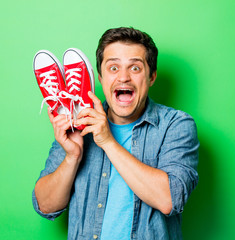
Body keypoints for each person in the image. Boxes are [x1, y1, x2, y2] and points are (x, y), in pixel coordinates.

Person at [32, 27, 199, 240]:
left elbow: (170, 199)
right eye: (113, 68)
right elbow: (45, 206)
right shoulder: (78, 123)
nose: (123, 77)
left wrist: (107, 141)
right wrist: (72, 157)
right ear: (100, 79)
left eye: (135, 68)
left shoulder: (176, 125)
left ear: (151, 77)